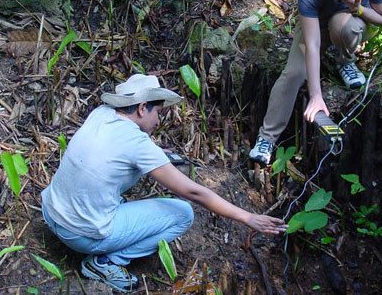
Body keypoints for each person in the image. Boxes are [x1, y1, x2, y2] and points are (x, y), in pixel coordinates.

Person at [41, 74, 287, 293]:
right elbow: (193, 192)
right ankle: (105, 263)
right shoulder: (137, 144)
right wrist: (247, 218)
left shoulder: (101, 114)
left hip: (51, 212)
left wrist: (159, 157)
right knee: (183, 214)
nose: (159, 120)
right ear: (141, 108)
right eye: (157, 112)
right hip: (77, 235)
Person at [249, 0, 382, 165]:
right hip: (315, 26)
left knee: (347, 28)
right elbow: (312, 44)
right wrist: (316, 96)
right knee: (294, 73)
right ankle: (267, 138)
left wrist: (357, 9)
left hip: (351, 22)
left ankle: (345, 61)